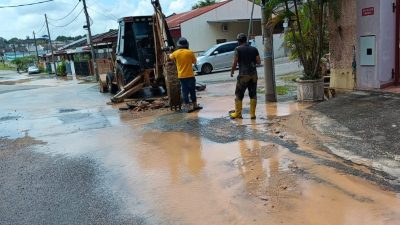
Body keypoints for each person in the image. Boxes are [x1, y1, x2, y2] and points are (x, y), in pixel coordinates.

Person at [230, 33, 261, 119]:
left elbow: (235, 62)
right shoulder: (254, 49)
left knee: (239, 94)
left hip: (243, 75)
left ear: (238, 41)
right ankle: (252, 114)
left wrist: (232, 71)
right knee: (253, 94)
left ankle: (238, 114)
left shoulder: (237, 49)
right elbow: (258, 61)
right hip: (253, 75)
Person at [169, 37, 202, 112]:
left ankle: (188, 107)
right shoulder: (190, 52)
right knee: (192, 91)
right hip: (190, 75)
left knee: (185, 92)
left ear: (179, 45)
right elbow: (194, 62)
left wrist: (171, 51)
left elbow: (170, 57)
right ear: (187, 44)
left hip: (182, 76)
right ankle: (195, 105)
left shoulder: (176, 53)